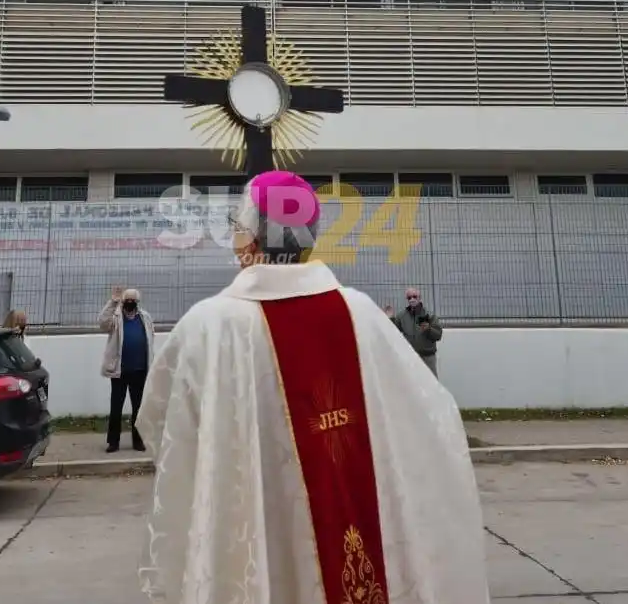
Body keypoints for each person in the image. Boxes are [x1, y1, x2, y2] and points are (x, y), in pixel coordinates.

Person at [135, 170, 490, 604]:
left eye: (236, 227)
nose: (234, 238)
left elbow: (164, 429)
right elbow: (431, 418)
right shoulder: (362, 314)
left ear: (250, 239)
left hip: (257, 534)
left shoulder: (208, 327)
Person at [98, 287, 155, 453]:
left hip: (140, 370)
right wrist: (112, 302)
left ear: (137, 302)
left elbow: (151, 339)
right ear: (123, 301)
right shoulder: (116, 317)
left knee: (139, 408)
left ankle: (138, 441)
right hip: (119, 371)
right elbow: (102, 323)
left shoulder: (145, 317)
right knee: (116, 407)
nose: (129, 303)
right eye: (126, 300)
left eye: (133, 300)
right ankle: (113, 442)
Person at [388, 288, 444, 376]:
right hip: (410, 357)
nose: (412, 299)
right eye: (409, 297)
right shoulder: (402, 316)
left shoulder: (429, 315)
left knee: (430, 384)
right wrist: (390, 319)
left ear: (419, 298)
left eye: (414, 296)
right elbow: (393, 331)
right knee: (412, 385)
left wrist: (428, 329)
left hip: (427, 357)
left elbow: (438, 335)